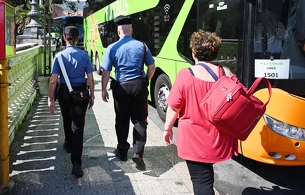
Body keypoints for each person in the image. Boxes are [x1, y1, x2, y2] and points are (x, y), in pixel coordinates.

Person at [163, 29, 238, 194]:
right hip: (219, 138)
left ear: (194, 51)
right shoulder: (226, 73)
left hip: (195, 141)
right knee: (206, 175)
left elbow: (174, 107)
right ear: (215, 52)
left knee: (201, 181)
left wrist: (167, 129)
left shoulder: (186, 75)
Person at [101, 15, 155, 171]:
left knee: (122, 119)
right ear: (131, 29)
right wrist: (146, 79)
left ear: (118, 31)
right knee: (140, 120)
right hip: (139, 86)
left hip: (121, 88)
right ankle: (138, 153)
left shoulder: (112, 48)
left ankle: (122, 151)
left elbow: (106, 71)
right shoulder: (142, 46)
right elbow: (151, 67)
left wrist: (104, 89)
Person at [48, 26, 95, 178]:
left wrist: (50, 99)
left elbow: (53, 80)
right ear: (78, 39)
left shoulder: (59, 56)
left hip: (64, 93)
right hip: (80, 93)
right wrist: (92, 95)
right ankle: (76, 163)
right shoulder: (84, 55)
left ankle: (68, 143)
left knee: (67, 119)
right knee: (78, 126)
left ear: (64, 38)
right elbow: (91, 78)